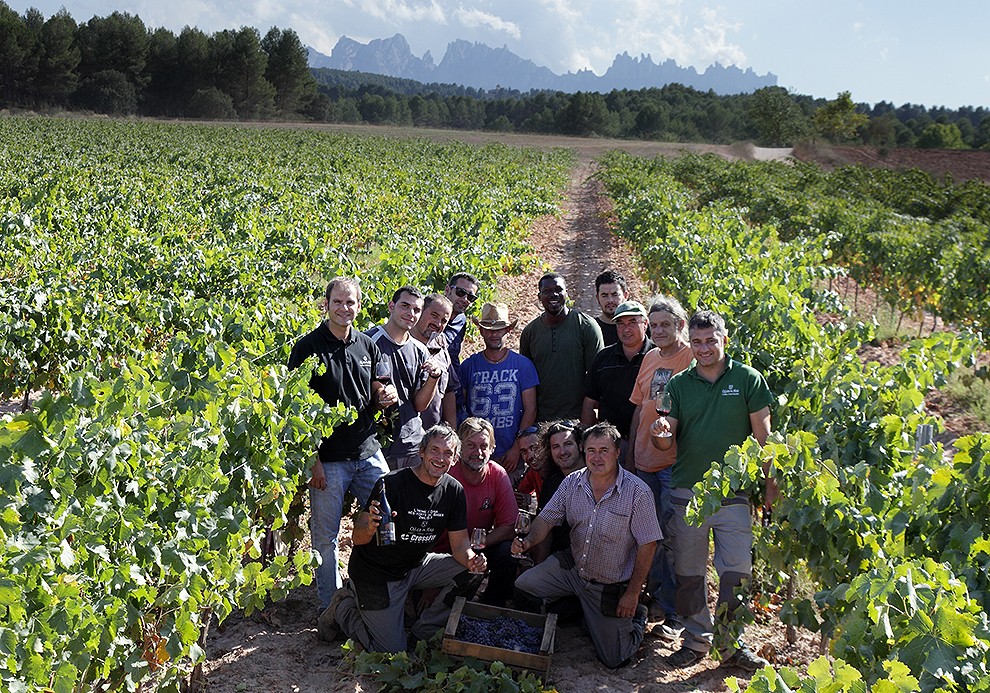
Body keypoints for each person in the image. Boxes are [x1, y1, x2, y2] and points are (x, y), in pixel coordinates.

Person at [651, 310, 774, 672]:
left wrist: (772, 485)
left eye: (711, 340)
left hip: (733, 493)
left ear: (724, 340)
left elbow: (765, 438)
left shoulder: (747, 379)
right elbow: (665, 441)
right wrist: (660, 434)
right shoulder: (679, 384)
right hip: (688, 492)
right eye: (697, 342)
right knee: (689, 573)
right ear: (690, 343)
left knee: (737, 573)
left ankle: (731, 644)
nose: (704, 348)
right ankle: (696, 641)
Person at [318, 424, 486, 652]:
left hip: (415, 567)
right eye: (435, 450)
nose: (440, 458)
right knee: (390, 654)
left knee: (472, 573)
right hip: (376, 575)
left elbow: (460, 546)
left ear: (455, 459)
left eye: (448, 453)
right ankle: (344, 608)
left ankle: (421, 632)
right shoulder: (391, 484)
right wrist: (369, 527)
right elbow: (358, 538)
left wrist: (472, 560)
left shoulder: (453, 491)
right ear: (421, 452)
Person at [287, 276, 397, 614]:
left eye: (350, 302)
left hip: (367, 450)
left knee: (389, 518)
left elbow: (378, 384)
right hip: (329, 460)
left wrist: (384, 394)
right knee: (325, 538)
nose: (344, 308)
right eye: (337, 301)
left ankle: (383, 590)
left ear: (359, 306)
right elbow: (294, 408)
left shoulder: (368, 345)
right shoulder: (307, 348)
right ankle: (331, 609)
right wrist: (313, 461)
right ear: (326, 304)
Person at [512, 423, 661, 669]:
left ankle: (637, 618)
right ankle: (564, 623)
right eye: (591, 450)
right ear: (584, 450)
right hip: (572, 568)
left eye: (604, 450)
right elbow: (546, 520)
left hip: (608, 583)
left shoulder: (638, 492)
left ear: (617, 452)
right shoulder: (571, 482)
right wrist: (528, 541)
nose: (597, 457)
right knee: (524, 585)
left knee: (615, 659)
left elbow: (649, 544)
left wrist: (633, 594)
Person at [626, 296, 695, 638]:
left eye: (666, 324)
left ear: (680, 325)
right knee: (648, 535)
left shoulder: (692, 357)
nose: (659, 330)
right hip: (645, 463)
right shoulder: (650, 357)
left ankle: (677, 615)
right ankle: (659, 600)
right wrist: (631, 453)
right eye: (654, 325)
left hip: (674, 463)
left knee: (672, 538)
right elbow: (640, 409)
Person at [439, 418, 519, 607]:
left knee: (507, 552)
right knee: (433, 605)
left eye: (484, 446)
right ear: (459, 448)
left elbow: (509, 527)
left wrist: (476, 545)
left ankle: (491, 606)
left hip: (477, 546)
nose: (478, 452)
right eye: (471, 445)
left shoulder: (497, 474)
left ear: (492, 449)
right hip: (442, 549)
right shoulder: (446, 474)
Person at [458, 302, 539, 483]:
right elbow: (460, 407)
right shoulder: (469, 366)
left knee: (512, 497)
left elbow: (531, 409)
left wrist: (516, 448)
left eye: (499, 329)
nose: (494, 334)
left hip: (510, 453)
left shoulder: (523, 365)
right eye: (488, 329)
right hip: (476, 452)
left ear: (508, 330)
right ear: (481, 331)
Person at [366, 286, 445, 469]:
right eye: (405, 306)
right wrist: (379, 397)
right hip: (378, 446)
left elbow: (419, 405)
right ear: (391, 306)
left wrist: (434, 377)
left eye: (416, 310)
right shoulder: (368, 342)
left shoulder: (420, 350)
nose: (411, 313)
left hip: (412, 445)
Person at [520, 273, 604, 422]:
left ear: (567, 293)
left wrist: (586, 421)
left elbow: (597, 377)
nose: (553, 294)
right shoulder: (530, 332)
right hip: (541, 420)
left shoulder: (586, 326)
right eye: (547, 291)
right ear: (539, 297)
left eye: (558, 289)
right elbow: (526, 382)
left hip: (577, 419)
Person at [580, 300, 652, 448]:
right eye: (621, 324)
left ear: (645, 324)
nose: (626, 329)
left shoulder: (657, 356)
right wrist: (586, 440)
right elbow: (590, 401)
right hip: (610, 443)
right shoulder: (603, 358)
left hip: (648, 441)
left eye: (632, 322)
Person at [410, 293, 459, 430]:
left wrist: (452, 430)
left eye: (444, 321)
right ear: (420, 311)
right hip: (406, 436)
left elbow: (449, 392)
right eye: (434, 315)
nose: (437, 324)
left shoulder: (440, 347)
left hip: (434, 435)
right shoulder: (402, 345)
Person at [443, 272, 481, 367]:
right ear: (447, 290)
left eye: (470, 297)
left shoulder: (461, 320)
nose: (465, 299)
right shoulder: (428, 312)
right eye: (460, 292)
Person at [593, 270, 628, 347]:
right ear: (597, 298)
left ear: (625, 296)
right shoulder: (591, 329)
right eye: (604, 295)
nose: (610, 300)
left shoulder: (638, 328)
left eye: (615, 295)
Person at [513, 425, 542, 512]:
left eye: (534, 448)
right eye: (524, 452)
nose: (530, 456)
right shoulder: (533, 471)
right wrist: (512, 495)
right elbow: (520, 490)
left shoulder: (562, 471)